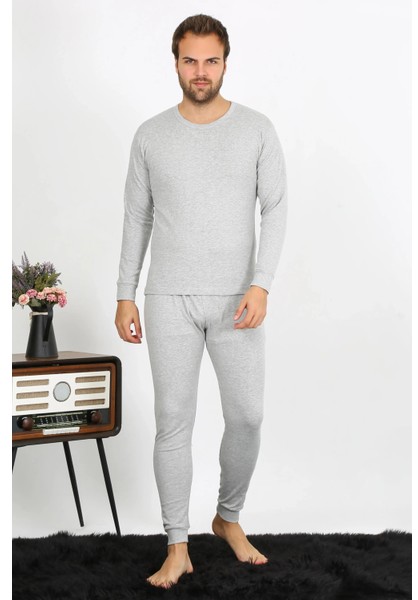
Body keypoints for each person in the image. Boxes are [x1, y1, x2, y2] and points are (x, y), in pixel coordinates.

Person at [115, 13, 288, 589]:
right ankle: (177, 544)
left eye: (211, 60)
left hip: (239, 300)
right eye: (190, 60)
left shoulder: (256, 129)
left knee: (247, 416)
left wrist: (262, 282)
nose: (200, 71)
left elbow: (275, 207)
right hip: (169, 298)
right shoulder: (150, 135)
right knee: (173, 422)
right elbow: (136, 218)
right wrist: (124, 293)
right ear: (175, 63)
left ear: (225, 63)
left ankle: (227, 517)